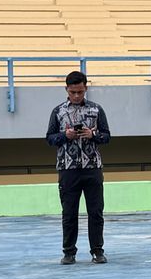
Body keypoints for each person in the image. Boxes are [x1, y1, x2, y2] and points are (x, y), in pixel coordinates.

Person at [45, 70, 111, 264]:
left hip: (92, 167)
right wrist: (65, 136)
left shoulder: (97, 110)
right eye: (73, 92)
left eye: (80, 92)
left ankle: (97, 251)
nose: (76, 96)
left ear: (85, 89)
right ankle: (69, 252)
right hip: (68, 169)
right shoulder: (58, 112)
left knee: (96, 212)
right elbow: (49, 138)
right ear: (66, 89)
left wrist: (93, 135)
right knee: (69, 213)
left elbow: (107, 136)